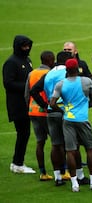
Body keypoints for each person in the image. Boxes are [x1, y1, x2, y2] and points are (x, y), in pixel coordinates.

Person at [30, 51, 88, 186]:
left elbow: (34, 91)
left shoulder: (48, 74)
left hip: (51, 113)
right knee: (73, 146)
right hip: (67, 112)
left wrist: (45, 106)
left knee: (56, 145)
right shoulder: (68, 73)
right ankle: (79, 176)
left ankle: (58, 177)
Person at [50, 58, 92, 192]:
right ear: (78, 68)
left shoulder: (60, 84)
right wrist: (83, 107)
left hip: (68, 120)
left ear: (67, 70)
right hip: (82, 119)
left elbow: (52, 103)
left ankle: (74, 184)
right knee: (89, 149)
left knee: (71, 151)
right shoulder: (87, 81)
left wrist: (63, 110)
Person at [3, 35, 36, 174]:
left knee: (24, 133)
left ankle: (17, 162)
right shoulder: (11, 62)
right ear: (17, 46)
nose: (27, 48)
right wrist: (28, 86)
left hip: (26, 103)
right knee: (23, 133)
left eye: (28, 46)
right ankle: (17, 163)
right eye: (24, 46)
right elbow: (8, 83)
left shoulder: (27, 60)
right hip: (17, 104)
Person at [24, 50, 55, 180]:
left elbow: (27, 93)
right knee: (56, 142)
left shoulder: (32, 73)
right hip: (46, 111)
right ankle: (60, 171)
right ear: (50, 61)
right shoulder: (50, 74)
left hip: (33, 111)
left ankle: (42, 172)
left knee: (40, 142)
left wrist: (29, 107)